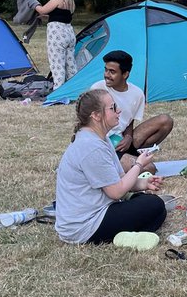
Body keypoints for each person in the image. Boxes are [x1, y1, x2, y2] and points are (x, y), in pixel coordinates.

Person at [55, 89, 167, 245]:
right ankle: (121, 236)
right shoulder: (91, 147)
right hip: (83, 227)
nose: (118, 110)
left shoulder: (100, 138)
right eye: (113, 108)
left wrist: (143, 183)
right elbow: (116, 192)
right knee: (154, 206)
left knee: (152, 204)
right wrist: (139, 164)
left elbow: (119, 178)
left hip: (93, 212)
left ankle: (127, 231)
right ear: (96, 115)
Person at [90, 51, 173, 173]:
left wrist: (128, 137)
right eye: (106, 70)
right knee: (150, 169)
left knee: (166, 121)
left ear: (125, 74)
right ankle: (120, 162)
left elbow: (129, 119)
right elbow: (87, 124)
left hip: (122, 140)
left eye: (112, 72)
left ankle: (132, 155)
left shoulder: (137, 94)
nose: (106, 75)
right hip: (104, 145)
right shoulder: (97, 89)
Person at [36, 0, 77, 88]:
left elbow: (42, 9)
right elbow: (61, 15)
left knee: (57, 64)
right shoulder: (70, 0)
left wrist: (33, 3)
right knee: (70, 65)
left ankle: (58, 92)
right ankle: (73, 89)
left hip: (57, 34)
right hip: (69, 33)